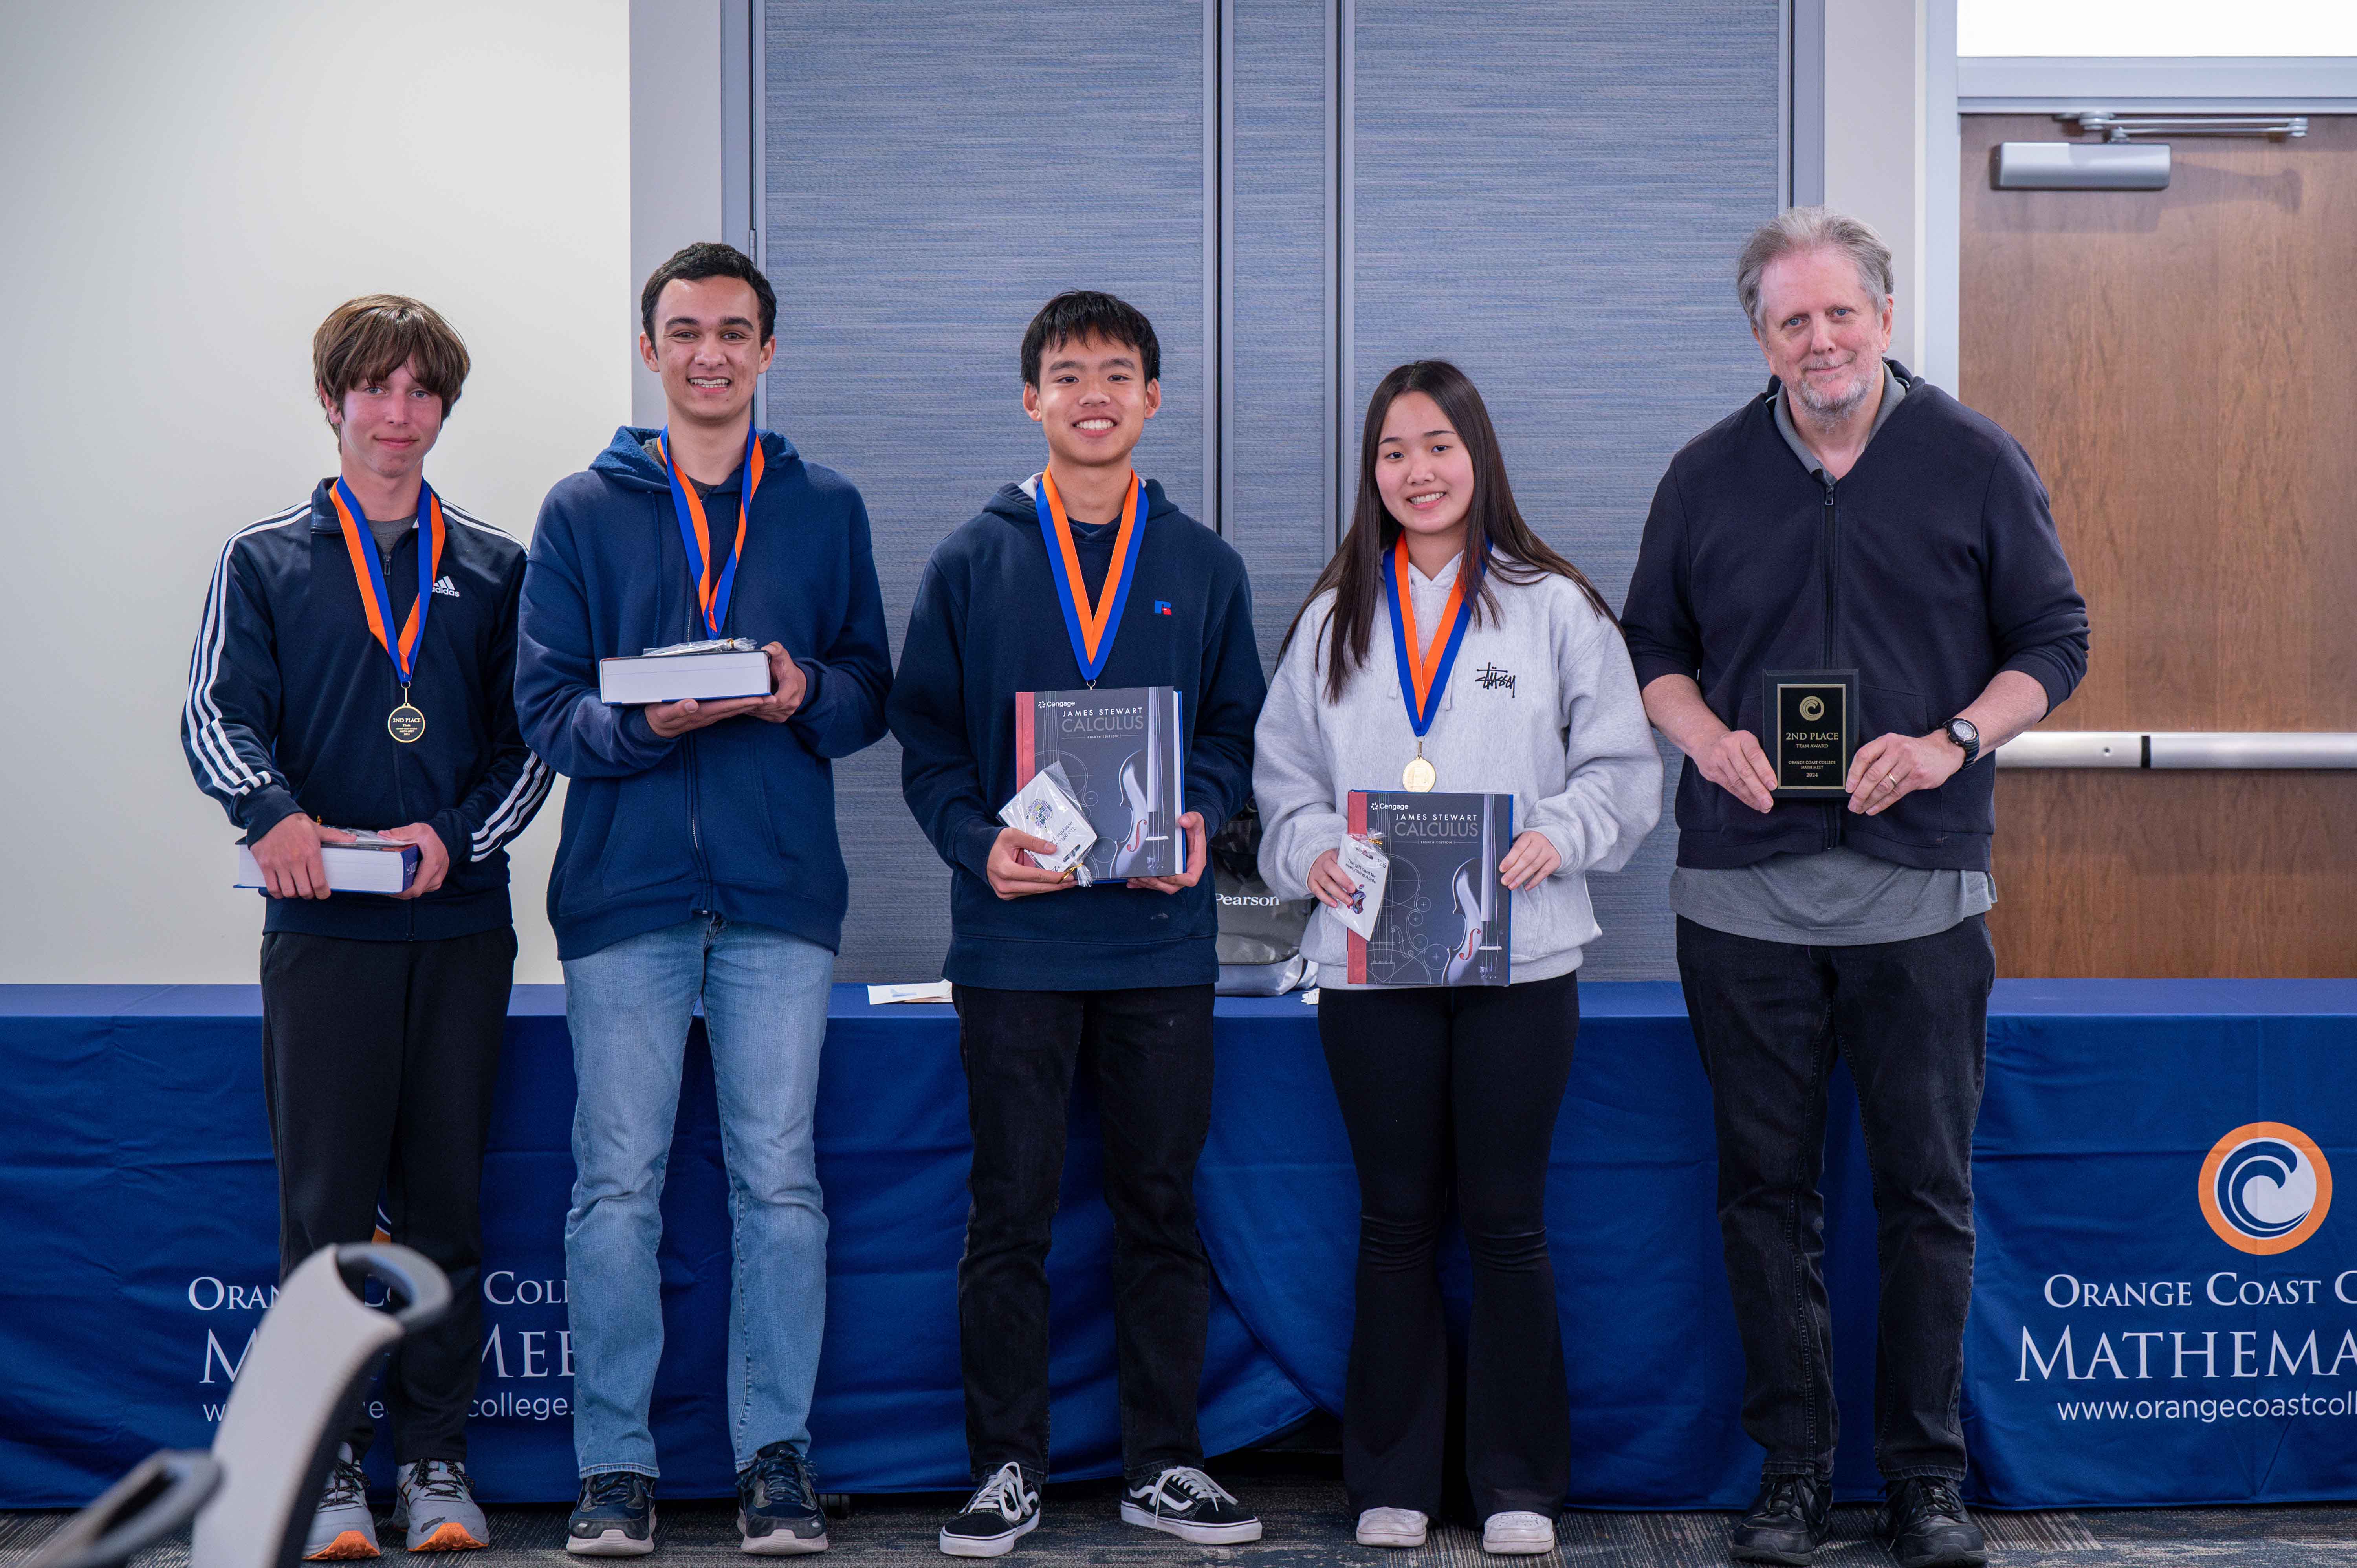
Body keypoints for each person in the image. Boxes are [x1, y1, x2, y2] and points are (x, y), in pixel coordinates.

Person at [1621, 208, 2088, 1568]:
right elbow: (1655, 644)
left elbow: (2055, 641)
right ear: (1759, 338)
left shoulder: (1975, 460)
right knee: (1766, 1197)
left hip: (1921, 896)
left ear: (1883, 316)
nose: (1820, 341)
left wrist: (1951, 738)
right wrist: (1705, 736)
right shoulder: (1706, 475)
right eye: (1791, 321)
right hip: (1741, 900)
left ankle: (1928, 1480)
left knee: (1925, 1194)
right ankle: (1794, 1476)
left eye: (1841, 315)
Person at [514, 242, 893, 1557]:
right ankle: (614, 1469)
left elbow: (868, 695)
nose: (711, 354)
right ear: (650, 349)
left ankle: (773, 1459)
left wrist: (799, 694)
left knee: (778, 1186)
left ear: (768, 352)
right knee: (613, 1187)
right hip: (623, 895)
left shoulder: (826, 508)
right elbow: (546, 711)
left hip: (780, 898)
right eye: (686, 332)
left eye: (735, 332)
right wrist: (649, 726)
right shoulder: (583, 511)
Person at [1252, 360, 1661, 1556]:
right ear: (1371, 475)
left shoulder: (1554, 606)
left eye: (1437, 446)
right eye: (1392, 453)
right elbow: (1284, 784)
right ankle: (1393, 1479)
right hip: (1371, 964)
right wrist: (1315, 850)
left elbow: (1624, 773)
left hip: (1522, 964)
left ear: (1478, 456)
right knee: (1393, 1221)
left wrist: (1558, 833)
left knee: (1508, 1220)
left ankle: (1520, 1484)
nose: (1416, 473)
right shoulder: (1336, 618)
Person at [889, 290, 1267, 1557]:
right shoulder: (972, 559)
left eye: (1117, 372)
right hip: (1017, 949)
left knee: (1161, 1204)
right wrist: (976, 845)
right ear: (1032, 399)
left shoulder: (1204, 566)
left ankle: (1166, 1463)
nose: (1092, 392)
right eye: (1066, 373)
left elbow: (1232, 737)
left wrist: (1202, 816)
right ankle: (1006, 1466)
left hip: (1161, 944)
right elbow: (927, 746)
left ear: (1155, 398)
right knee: (1012, 1213)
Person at [181, 295, 550, 1557]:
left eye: (421, 393)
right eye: (375, 391)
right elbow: (214, 717)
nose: (398, 416)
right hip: (324, 936)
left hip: (457, 933)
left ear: (445, 408)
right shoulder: (266, 558)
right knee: (328, 1209)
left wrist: (456, 836)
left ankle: (436, 1461)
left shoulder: (497, 567)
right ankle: (335, 1466)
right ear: (333, 403)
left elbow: (530, 746)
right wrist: (269, 812)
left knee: (446, 1206)